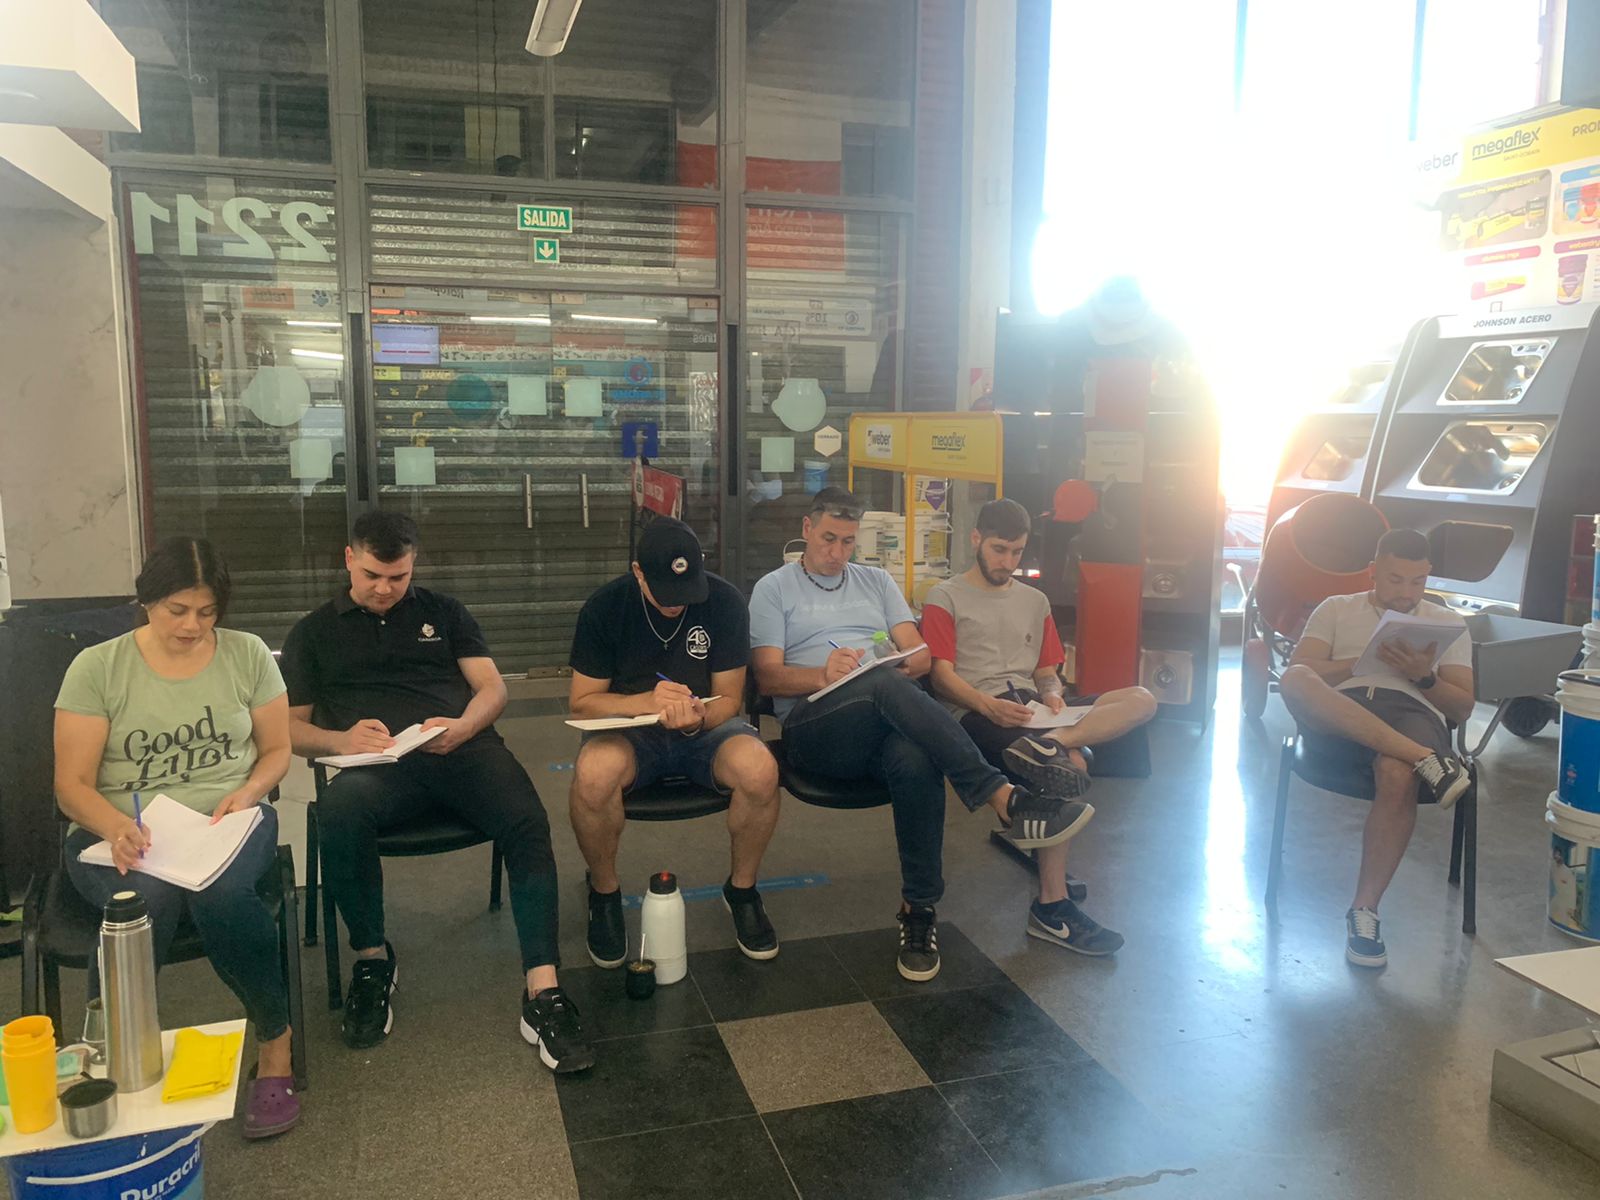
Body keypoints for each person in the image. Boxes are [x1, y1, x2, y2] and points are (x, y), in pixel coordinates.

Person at [280, 512, 592, 1072]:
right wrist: (339, 739)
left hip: (461, 751)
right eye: (373, 575)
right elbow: (288, 728)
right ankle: (372, 959)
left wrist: (466, 726)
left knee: (526, 818)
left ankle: (543, 988)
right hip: (376, 769)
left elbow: (492, 687)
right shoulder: (312, 633)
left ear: (413, 565)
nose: (385, 589)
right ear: (349, 559)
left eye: (398, 577)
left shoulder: (444, 612)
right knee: (339, 811)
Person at [749, 487, 1093, 983]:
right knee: (881, 684)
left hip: (883, 721)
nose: (838, 552)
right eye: (828, 539)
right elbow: (767, 678)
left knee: (915, 755)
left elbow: (920, 656)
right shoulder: (774, 588)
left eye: (848, 541)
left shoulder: (875, 581)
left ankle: (919, 911)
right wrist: (824, 674)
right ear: (806, 529)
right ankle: (1000, 795)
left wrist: (894, 663)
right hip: (814, 726)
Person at [54, 537, 299, 1139]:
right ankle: (113, 1057)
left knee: (221, 894)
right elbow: (71, 786)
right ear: (146, 601)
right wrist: (115, 826)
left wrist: (250, 791)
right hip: (116, 830)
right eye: (177, 610)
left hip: (226, 820)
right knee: (140, 904)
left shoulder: (247, 655)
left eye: (207, 612)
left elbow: (277, 750)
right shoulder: (98, 667)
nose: (192, 626)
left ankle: (275, 1044)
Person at [923, 499, 1157, 956]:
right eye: (999, 550)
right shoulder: (944, 596)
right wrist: (986, 705)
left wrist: (1053, 695)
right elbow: (941, 676)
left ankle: (1056, 741)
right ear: (976, 539)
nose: (1008, 561)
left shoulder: (1035, 601)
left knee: (1142, 699)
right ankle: (1052, 906)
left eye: (1016, 552)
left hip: (1033, 710)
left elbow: (1046, 672)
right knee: (1068, 765)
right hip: (975, 711)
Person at [568, 518, 781, 965]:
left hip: (705, 729)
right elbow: (583, 703)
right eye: (664, 593)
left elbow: (730, 698)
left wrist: (696, 718)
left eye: (685, 591)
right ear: (638, 572)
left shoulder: (724, 601)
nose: (676, 604)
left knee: (760, 769)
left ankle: (742, 891)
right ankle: (604, 894)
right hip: (629, 731)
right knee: (593, 774)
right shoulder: (605, 607)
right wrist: (643, 703)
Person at [1279, 528, 1474, 969]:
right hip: (1341, 711)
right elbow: (1301, 669)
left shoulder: (1446, 622)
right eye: (1395, 579)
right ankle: (1427, 760)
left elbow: (1462, 707)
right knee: (1295, 678)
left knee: (1396, 771)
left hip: (1411, 710)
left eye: (1418, 581)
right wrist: (1362, 661)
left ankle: (1364, 911)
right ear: (1373, 571)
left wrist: (1424, 677)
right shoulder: (1336, 608)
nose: (1407, 592)